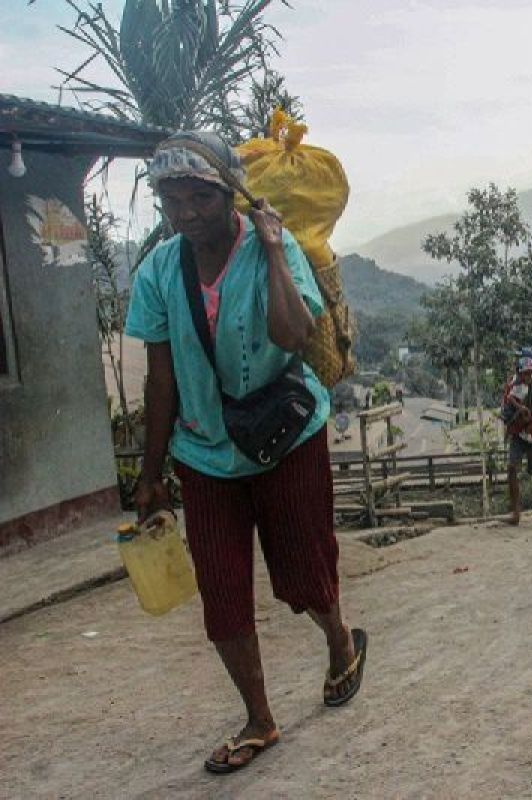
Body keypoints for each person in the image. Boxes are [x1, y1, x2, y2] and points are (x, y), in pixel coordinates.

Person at [125, 131, 366, 775]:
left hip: (288, 437)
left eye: (199, 197)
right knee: (223, 590)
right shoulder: (157, 270)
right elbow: (161, 378)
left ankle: (340, 640)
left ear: (230, 193)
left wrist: (273, 249)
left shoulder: (271, 246)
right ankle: (260, 717)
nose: (185, 213)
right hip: (205, 452)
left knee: (304, 567)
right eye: (171, 200)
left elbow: (292, 333)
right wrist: (150, 477)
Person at [503, 355, 532, 525]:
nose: (527, 377)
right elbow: (506, 410)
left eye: (530, 373)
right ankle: (515, 512)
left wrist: (529, 423)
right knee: (511, 467)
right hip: (517, 433)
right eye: (525, 374)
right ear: (519, 373)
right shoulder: (511, 387)